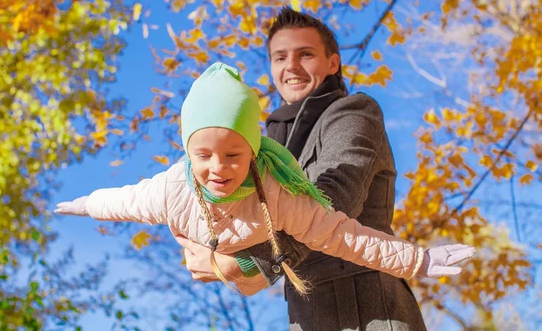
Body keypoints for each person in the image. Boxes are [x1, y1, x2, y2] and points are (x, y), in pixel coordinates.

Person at [55, 62, 474, 300]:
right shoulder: (171, 189)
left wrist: (418, 260)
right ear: (187, 152)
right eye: (203, 155)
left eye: (234, 154)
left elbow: (343, 235)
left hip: (251, 257)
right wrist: (86, 203)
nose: (218, 167)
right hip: (208, 245)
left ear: (254, 151)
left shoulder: (277, 195)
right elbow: (123, 201)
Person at [178, 8, 431, 331]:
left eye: (305, 54)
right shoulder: (269, 149)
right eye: (280, 58)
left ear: (333, 63)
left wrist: (245, 262)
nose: (291, 66)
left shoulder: (353, 112)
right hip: (305, 316)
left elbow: (335, 197)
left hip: (367, 311)